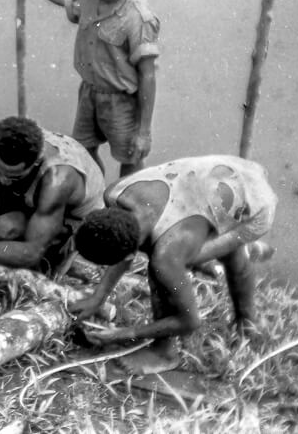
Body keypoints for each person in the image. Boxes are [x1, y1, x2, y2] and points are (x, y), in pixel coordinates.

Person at [69, 155, 278, 375]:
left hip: (255, 204)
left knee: (164, 270)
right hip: (228, 174)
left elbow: (189, 322)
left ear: (130, 254)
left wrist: (122, 334)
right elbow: (125, 246)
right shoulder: (116, 193)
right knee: (183, 251)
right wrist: (98, 297)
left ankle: (164, 353)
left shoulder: (167, 253)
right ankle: (247, 316)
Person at [15, 0, 160, 178]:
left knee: (131, 159)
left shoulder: (138, 16)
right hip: (89, 94)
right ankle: (97, 203)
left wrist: (144, 132)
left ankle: (126, 213)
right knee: (81, 152)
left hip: (121, 101)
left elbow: (148, 75)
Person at [0, 116, 105, 273]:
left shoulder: (58, 181)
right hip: (34, 191)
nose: (3, 180)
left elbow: (32, 252)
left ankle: (57, 253)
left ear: (36, 162)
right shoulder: (17, 141)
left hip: (69, 216)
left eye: (13, 176)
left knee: (5, 228)